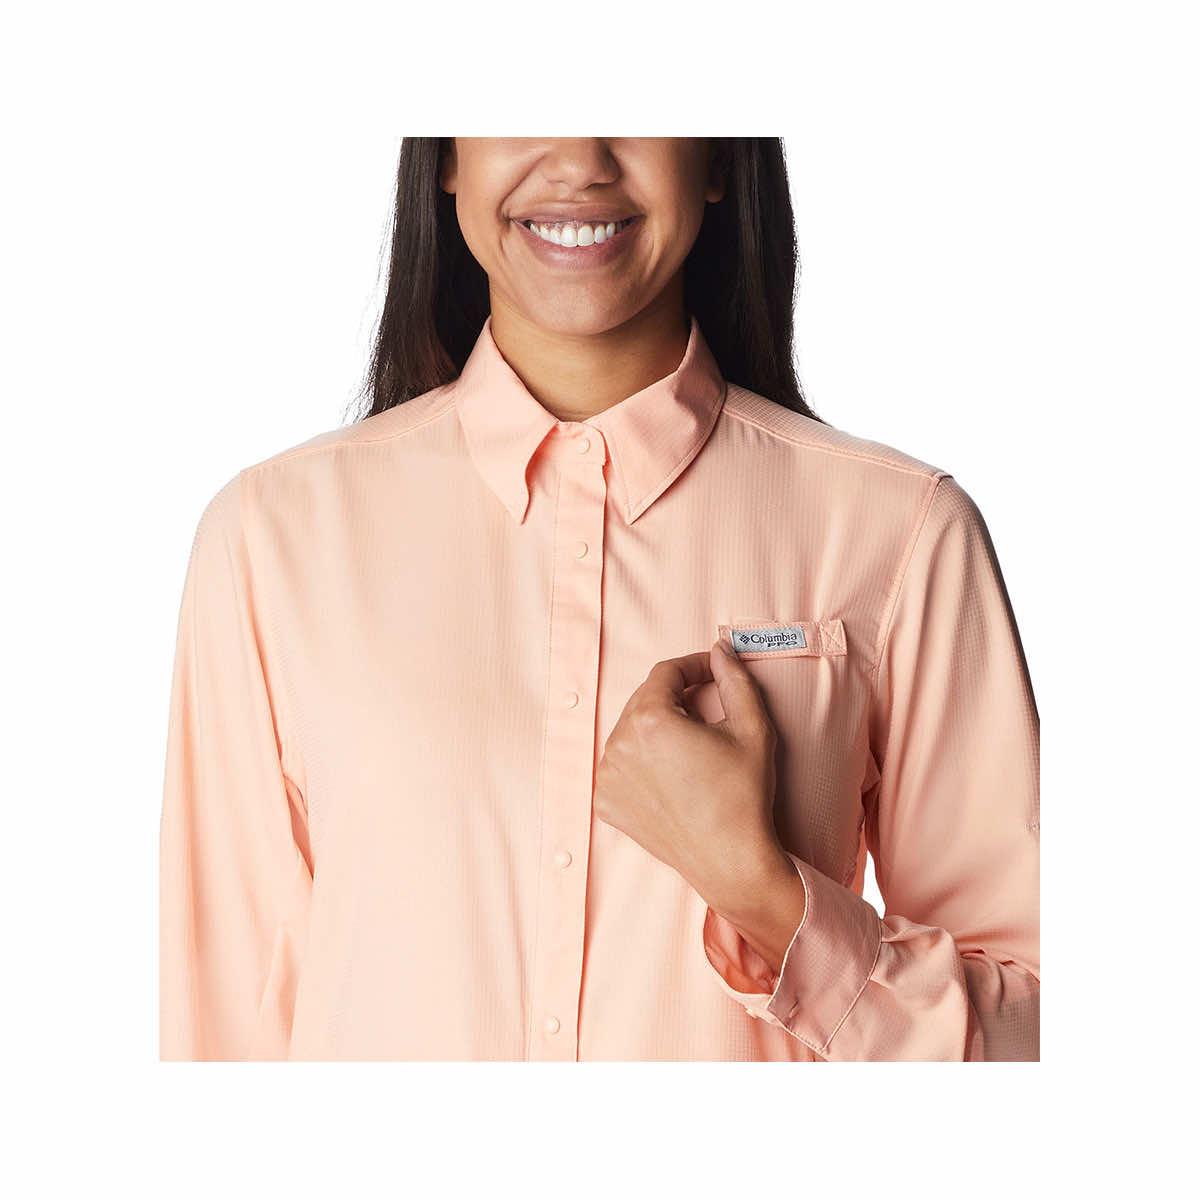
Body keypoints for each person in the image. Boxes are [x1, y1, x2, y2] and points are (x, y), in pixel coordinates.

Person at [159, 137, 1039, 1061]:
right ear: (447, 157)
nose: (580, 160)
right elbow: (225, 1030)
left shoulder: (899, 533)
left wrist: (766, 897)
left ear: (716, 157)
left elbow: (1036, 1038)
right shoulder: (270, 537)